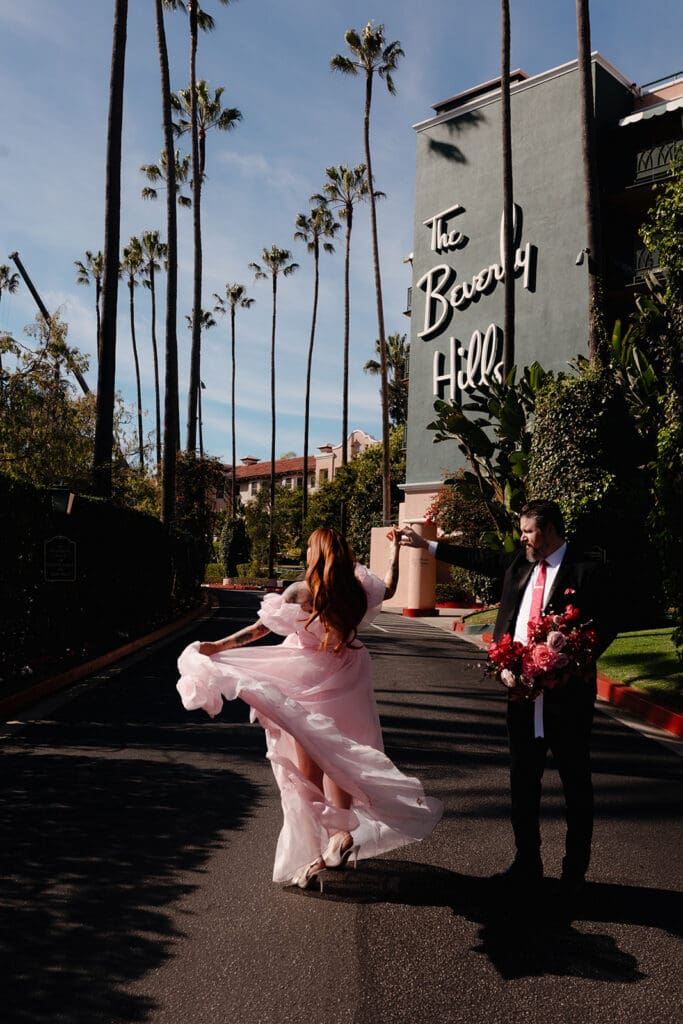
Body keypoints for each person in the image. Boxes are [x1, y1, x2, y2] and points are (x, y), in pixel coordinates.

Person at [177, 527, 442, 890]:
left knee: (309, 772)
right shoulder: (357, 589)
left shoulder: (301, 592)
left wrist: (216, 646)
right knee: (340, 756)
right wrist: (394, 550)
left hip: (310, 680)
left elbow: (258, 630)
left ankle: (318, 848)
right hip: (349, 677)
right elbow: (391, 587)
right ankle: (341, 836)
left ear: (315, 554)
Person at [400, 499, 617, 908]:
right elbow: (479, 558)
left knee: (575, 784)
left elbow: (610, 621)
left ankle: (574, 874)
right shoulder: (520, 565)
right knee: (523, 782)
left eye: (529, 531)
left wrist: (575, 657)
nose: (523, 537)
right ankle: (527, 864)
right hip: (520, 696)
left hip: (565, 701)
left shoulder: (587, 571)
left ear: (550, 530)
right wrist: (425, 546)